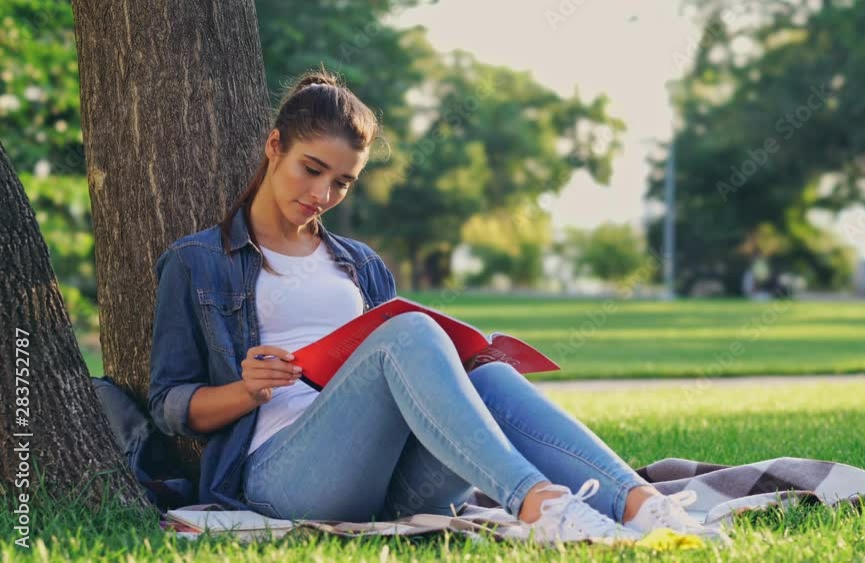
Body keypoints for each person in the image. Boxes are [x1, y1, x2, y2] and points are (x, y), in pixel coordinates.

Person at [147, 69, 723, 545]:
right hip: (285, 476)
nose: (322, 196)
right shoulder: (198, 260)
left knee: (485, 369)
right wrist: (248, 389)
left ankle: (644, 505)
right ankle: (540, 506)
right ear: (276, 148)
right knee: (411, 331)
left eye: (343, 183)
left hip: (395, 484)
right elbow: (169, 406)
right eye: (311, 170)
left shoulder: (361, 264)